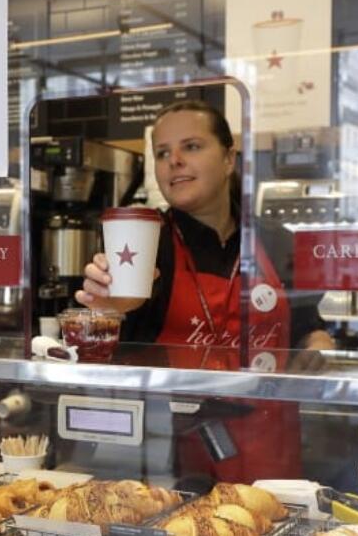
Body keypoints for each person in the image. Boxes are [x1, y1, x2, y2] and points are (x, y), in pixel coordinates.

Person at [76, 99, 334, 480]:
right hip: (170, 460)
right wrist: (105, 313)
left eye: (191, 146)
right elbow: (95, 358)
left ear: (229, 158)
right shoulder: (144, 245)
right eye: (162, 153)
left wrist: (318, 344)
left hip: (270, 455)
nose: (174, 161)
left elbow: (308, 328)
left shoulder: (277, 243)